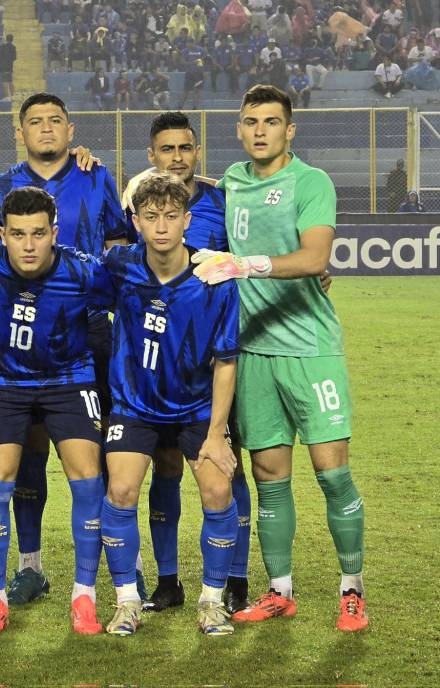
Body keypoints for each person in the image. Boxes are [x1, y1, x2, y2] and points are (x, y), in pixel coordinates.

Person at [192, 84, 368, 632]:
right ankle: (280, 591)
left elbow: (315, 255)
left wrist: (248, 266)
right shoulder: (232, 184)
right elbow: (180, 192)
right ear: (239, 130)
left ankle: (351, 590)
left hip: (310, 350)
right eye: (251, 121)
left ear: (289, 130)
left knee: (331, 473)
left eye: (272, 121)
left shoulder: (311, 182)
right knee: (270, 478)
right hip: (252, 354)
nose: (261, 130)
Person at [0, 186, 109, 635]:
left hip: (68, 381)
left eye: (38, 233)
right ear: (1, 233)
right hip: (2, 383)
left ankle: (84, 598)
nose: (29, 245)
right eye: (18, 234)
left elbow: (139, 290)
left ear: (54, 232)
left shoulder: (82, 270)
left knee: (89, 484)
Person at [0, 92, 127, 608]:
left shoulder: (96, 175)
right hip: (21, 337)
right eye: (34, 122)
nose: (45, 129)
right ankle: (30, 565)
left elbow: (118, 241)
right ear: (19, 132)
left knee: (104, 450)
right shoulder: (0, 186)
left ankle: (120, 558)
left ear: (71, 130)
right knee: (28, 451)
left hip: (91, 331)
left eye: (55, 121)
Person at [119, 111, 253, 615]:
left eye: (186, 148)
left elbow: (246, 256)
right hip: (154, 357)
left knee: (224, 466)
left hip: (209, 357)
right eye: (167, 149)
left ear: (197, 153)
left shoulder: (221, 201)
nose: (178, 157)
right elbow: (116, 251)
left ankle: (234, 577)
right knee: (165, 468)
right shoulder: (139, 201)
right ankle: (168, 581)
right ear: (152, 156)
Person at [100, 172, 240, 638]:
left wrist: (218, 433)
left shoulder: (213, 276)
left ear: (188, 219)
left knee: (218, 493)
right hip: (133, 405)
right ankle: (126, 602)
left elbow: (226, 360)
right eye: (151, 217)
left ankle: (212, 601)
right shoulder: (119, 266)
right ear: (136, 221)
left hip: (197, 407)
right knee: (120, 492)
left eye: (171, 216)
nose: (161, 226)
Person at [0, 33, 15, 101]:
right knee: (10, 81)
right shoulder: (13, 47)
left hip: (2, 67)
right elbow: (14, 57)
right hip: (9, 67)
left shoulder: (2, 46)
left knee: (4, 82)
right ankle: (12, 96)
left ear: (6, 39)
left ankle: (7, 97)